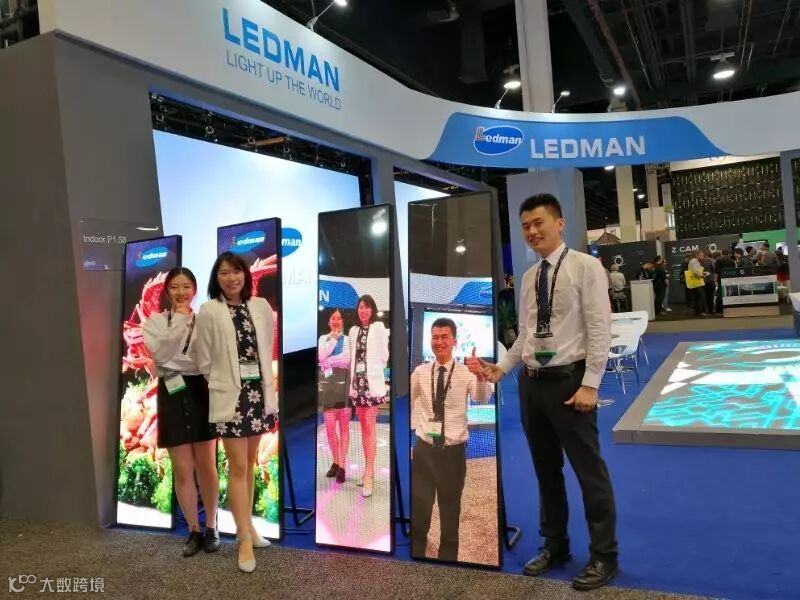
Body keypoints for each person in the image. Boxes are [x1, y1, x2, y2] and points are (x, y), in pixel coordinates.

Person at [476, 193, 618, 591]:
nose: (532, 231)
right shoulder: (528, 277)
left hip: (570, 384)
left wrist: (591, 383)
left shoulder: (586, 266)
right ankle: (555, 545)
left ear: (559, 223)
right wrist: (503, 368)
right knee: (546, 471)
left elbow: (600, 328)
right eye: (525, 226)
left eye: (538, 222)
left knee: (589, 472)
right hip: (532, 385)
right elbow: (526, 335)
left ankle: (604, 555)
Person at [195, 251, 277, 573]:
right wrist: (220, 381)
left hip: (258, 393)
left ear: (246, 274)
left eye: (236, 271)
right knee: (238, 466)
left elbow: (267, 346)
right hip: (231, 396)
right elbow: (203, 358)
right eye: (224, 273)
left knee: (251, 463)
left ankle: (250, 527)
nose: (232, 278)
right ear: (216, 278)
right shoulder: (209, 311)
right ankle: (242, 538)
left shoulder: (260, 306)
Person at [142, 267, 219, 557]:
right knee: (183, 468)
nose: (181, 292)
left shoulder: (205, 320)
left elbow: (205, 359)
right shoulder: (155, 322)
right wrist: (178, 326)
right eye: (175, 287)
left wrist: (172, 356)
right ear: (167, 291)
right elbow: (159, 355)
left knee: (207, 465)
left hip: (201, 390)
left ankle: (211, 526)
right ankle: (193, 530)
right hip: (171, 393)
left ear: (194, 290)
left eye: (186, 286)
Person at [410, 319, 492, 562]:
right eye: (435, 337)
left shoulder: (466, 373)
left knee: (450, 509)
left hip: (453, 454)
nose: (439, 342)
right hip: (424, 450)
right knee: (420, 507)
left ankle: (447, 562)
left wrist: (480, 376)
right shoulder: (420, 372)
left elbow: (481, 398)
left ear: (454, 341)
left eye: (444, 337)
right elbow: (407, 401)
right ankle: (416, 556)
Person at [348, 294, 390, 498]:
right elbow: (351, 358)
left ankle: (370, 473)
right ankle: (366, 470)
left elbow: (384, 356)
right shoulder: (353, 331)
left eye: (366, 307)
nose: (363, 310)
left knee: (369, 427)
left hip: (372, 384)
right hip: (357, 385)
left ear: (372, 310)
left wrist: (372, 370)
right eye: (360, 307)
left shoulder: (379, 327)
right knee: (363, 427)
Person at [318, 309, 351, 484]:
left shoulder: (348, 340)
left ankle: (342, 465)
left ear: (342, 321)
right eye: (333, 318)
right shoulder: (323, 339)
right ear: (329, 322)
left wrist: (328, 361)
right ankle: (336, 461)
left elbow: (347, 359)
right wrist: (334, 339)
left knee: (344, 429)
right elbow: (320, 356)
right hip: (328, 389)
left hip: (344, 388)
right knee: (330, 429)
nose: (336, 320)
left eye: (339, 318)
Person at [687, 250, 708, 316]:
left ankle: (698, 311)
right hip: (697, 282)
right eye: (701, 255)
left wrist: (702, 273)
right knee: (700, 297)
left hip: (696, 282)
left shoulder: (694, 261)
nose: (703, 256)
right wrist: (702, 275)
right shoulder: (694, 261)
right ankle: (700, 311)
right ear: (697, 255)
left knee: (698, 297)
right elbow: (696, 272)